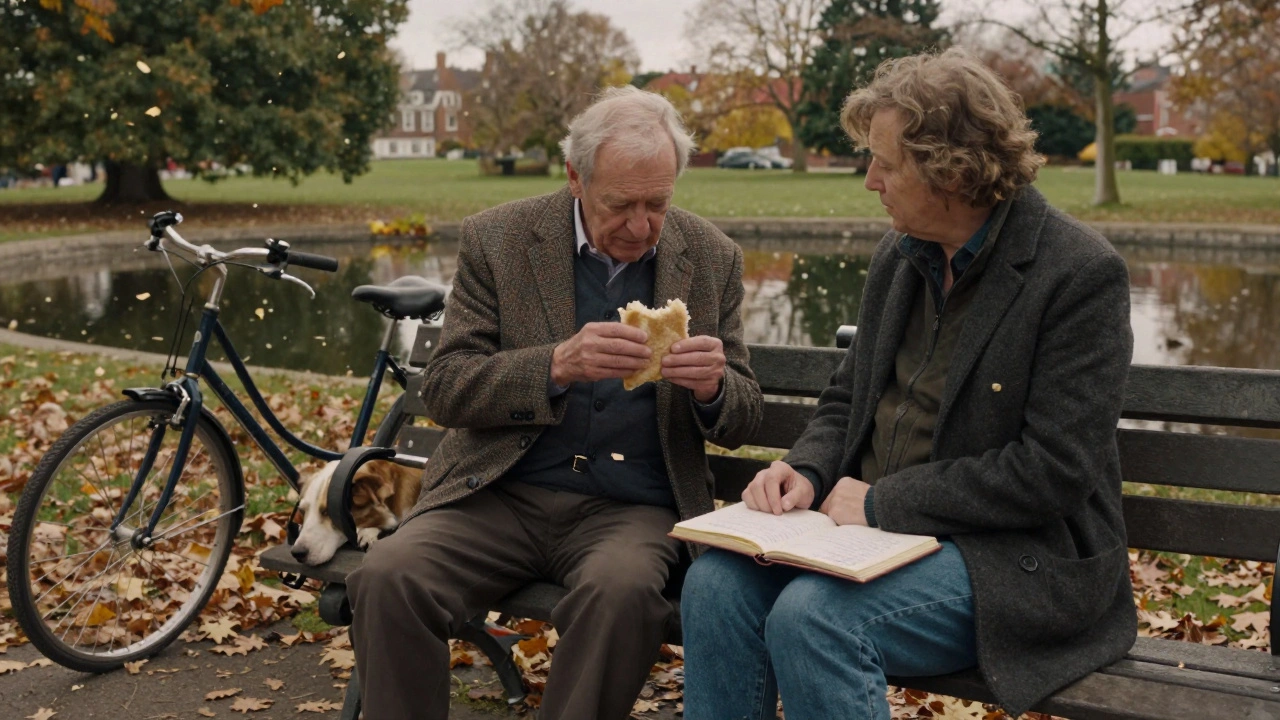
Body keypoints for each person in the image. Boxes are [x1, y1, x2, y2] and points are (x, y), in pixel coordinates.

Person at [680, 47, 1137, 720]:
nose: (871, 181)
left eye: (886, 164)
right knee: (716, 584)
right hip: (861, 535)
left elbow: (1054, 471)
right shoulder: (901, 257)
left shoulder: (1078, 275)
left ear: (950, 170)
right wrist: (805, 469)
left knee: (816, 619)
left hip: (1011, 560)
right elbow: (848, 398)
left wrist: (883, 504)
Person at [347, 86, 764, 720]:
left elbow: (742, 415)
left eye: (658, 203)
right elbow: (449, 385)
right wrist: (554, 365)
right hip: (499, 492)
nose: (640, 226)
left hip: (633, 508)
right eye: (620, 204)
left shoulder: (711, 258)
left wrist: (712, 387)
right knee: (388, 577)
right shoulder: (500, 238)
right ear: (575, 176)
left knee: (621, 594)